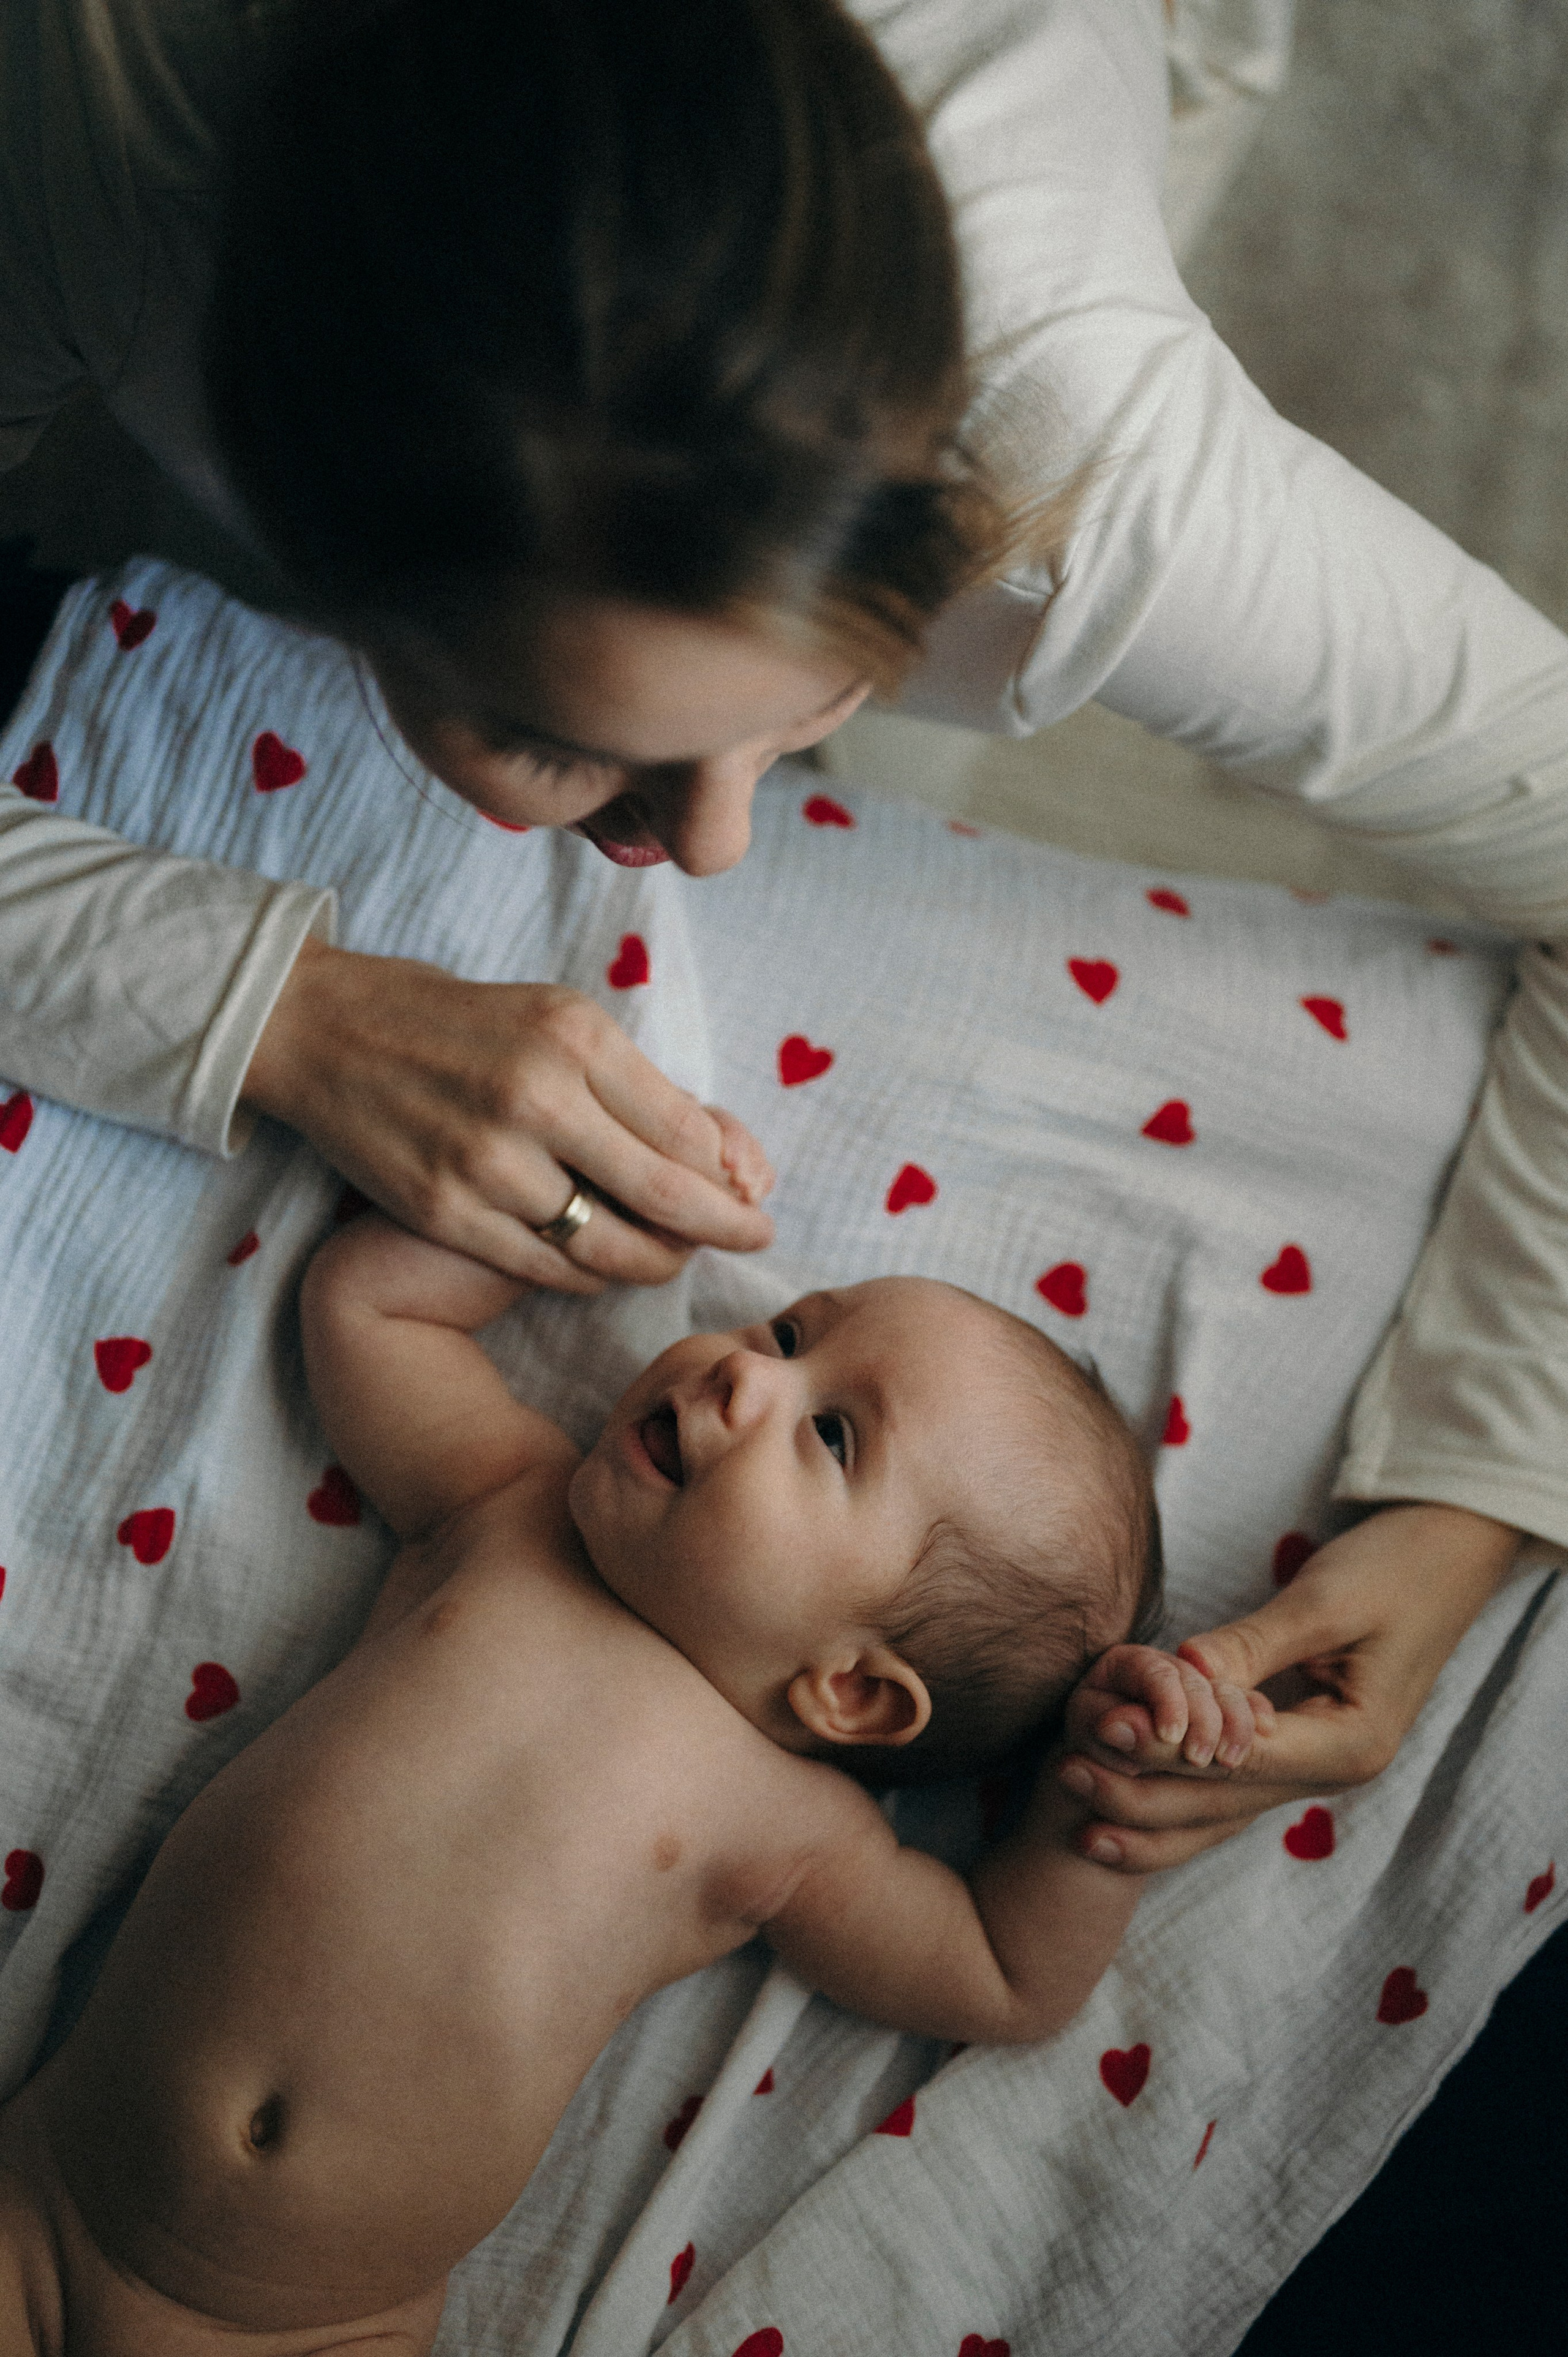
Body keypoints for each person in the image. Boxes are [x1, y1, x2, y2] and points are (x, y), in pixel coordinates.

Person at [0, 0, 1556, 1878]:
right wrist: (269, 1005)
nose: (718, 851)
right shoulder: (94, 165)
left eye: (828, 680)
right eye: (567, 740)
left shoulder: (1105, 454)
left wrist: (1465, 1504)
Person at [0, 1220, 1203, 2354]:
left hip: (311, 2325)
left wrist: (1099, 1790)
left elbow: (1003, 1971)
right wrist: (579, 1225)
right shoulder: (505, 1505)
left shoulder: (793, 1828)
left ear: (853, 1693)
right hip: (45, 2201)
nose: (742, 1371)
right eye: (786, 1333)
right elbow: (369, 1308)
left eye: (832, 1433)